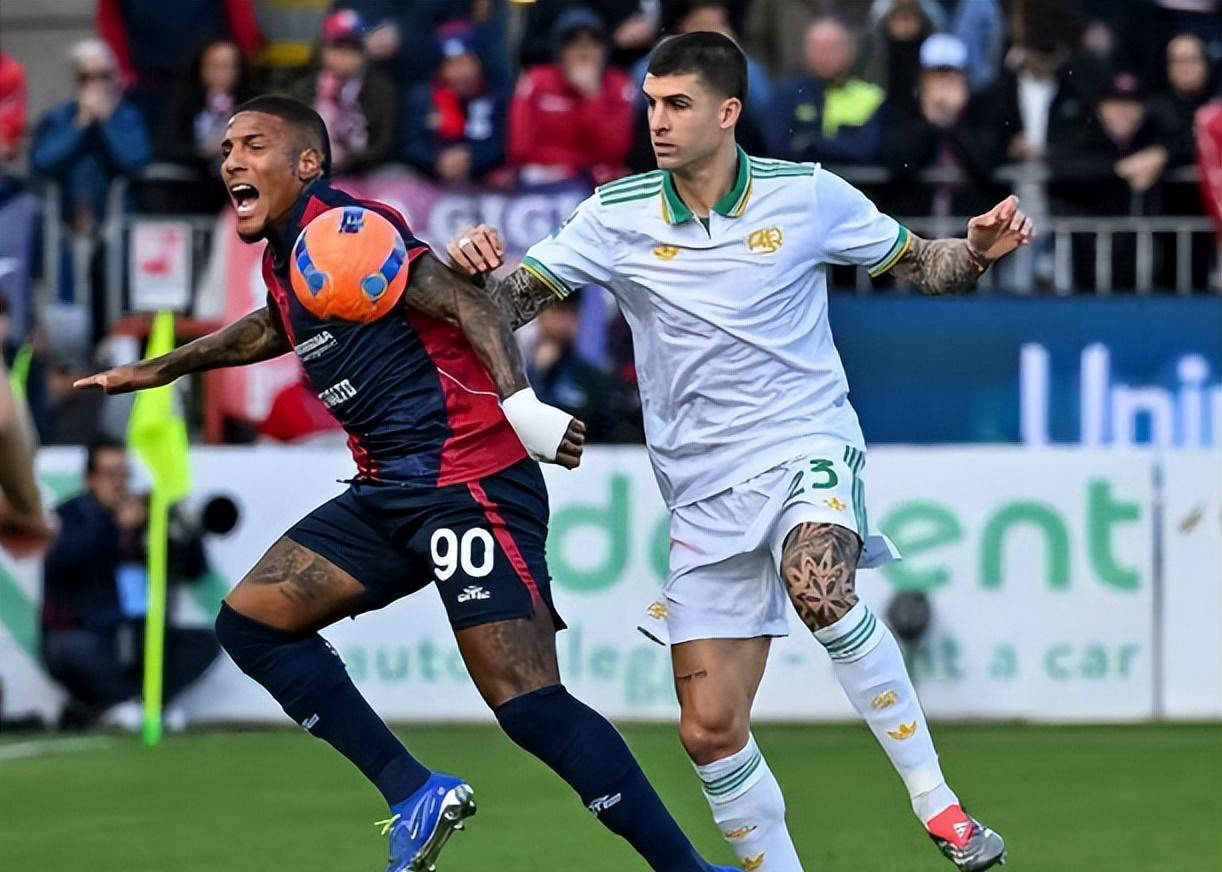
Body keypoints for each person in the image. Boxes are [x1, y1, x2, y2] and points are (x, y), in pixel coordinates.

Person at [74, 94, 735, 872]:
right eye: (226, 150)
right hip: (387, 488)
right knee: (252, 624)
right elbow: (273, 326)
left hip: (468, 480)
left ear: (308, 162)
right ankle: (414, 791)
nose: (231, 162)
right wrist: (163, 367)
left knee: (528, 704)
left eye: (252, 145)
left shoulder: (348, 227)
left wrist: (520, 405)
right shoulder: (288, 255)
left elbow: (466, 303)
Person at [446, 32, 1029, 872]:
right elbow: (504, 307)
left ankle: (939, 806)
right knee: (710, 731)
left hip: (805, 441)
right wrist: (468, 276)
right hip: (701, 492)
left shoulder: (808, 196)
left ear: (727, 112)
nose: (657, 120)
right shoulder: (614, 214)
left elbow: (923, 264)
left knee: (818, 584)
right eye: (651, 102)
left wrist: (972, 251)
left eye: (677, 104)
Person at [41, 438, 220, 729]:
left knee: (205, 643)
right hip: (92, 631)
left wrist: (173, 525)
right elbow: (62, 560)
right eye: (109, 474)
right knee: (72, 649)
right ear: (89, 479)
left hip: (143, 630)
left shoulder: (149, 515)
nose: (118, 483)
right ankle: (126, 703)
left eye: (124, 474)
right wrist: (113, 527)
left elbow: (195, 569)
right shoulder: (69, 515)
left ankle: (144, 704)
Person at [508, 7, 634, 185]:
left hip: (598, 181)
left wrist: (592, 96)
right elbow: (520, 148)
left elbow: (615, 152)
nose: (584, 51)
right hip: (546, 179)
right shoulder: (537, 81)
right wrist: (576, 166)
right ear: (560, 50)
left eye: (593, 42)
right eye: (574, 43)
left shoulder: (618, 85)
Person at [883, 34, 1005, 217]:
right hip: (916, 223)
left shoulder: (981, 112)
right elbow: (899, 166)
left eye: (951, 75)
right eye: (936, 75)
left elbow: (985, 166)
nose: (944, 84)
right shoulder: (904, 111)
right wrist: (930, 119)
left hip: (967, 223)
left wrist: (953, 120)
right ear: (922, 78)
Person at [402, 20, 508, 184]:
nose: (461, 73)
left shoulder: (493, 97)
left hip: (482, 179)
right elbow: (412, 145)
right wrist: (437, 161)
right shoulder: (423, 98)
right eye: (452, 65)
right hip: (429, 178)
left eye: (466, 63)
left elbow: (500, 144)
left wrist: (469, 160)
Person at [769, 17, 885, 165]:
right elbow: (776, 147)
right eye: (816, 47)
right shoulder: (787, 94)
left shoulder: (872, 96)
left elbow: (868, 149)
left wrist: (810, 144)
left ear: (850, 50)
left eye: (832, 47)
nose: (824, 54)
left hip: (855, 178)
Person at [157, 39, 255, 213]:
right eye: (216, 66)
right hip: (193, 186)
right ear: (201, 68)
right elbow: (167, 147)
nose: (223, 73)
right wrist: (204, 150)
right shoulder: (183, 102)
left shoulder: (252, 104)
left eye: (229, 66)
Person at [295, 9, 397, 175]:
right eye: (337, 47)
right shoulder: (305, 87)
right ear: (322, 49)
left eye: (352, 49)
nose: (343, 56)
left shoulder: (379, 90)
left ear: (363, 53)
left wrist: (349, 159)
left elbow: (383, 144)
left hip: (364, 172)